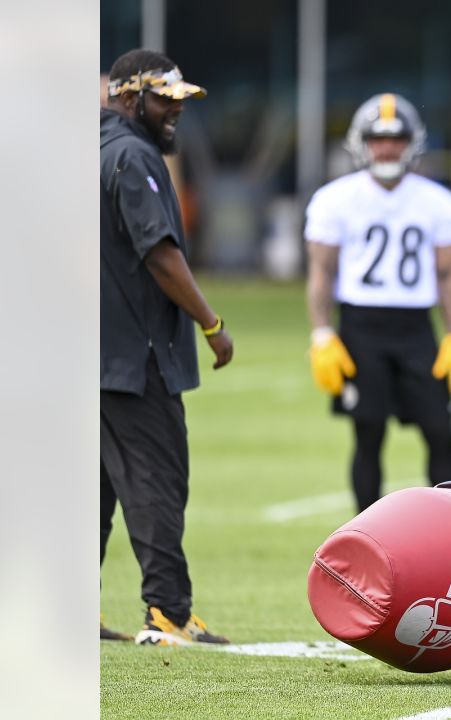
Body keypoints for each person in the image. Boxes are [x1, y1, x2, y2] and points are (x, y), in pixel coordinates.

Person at [100, 48, 233, 645]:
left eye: (179, 100)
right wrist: (210, 321)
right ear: (129, 96)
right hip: (135, 355)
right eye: (163, 99)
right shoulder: (133, 155)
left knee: (94, 486)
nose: (174, 111)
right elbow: (160, 254)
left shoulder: (93, 151)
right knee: (157, 478)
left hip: (87, 351)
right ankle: (168, 612)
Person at [304, 93, 451, 513]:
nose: (387, 147)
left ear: (412, 143)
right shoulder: (334, 198)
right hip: (362, 324)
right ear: (362, 143)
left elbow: (449, 275)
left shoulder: (437, 201)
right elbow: (321, 272)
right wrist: (322, 333)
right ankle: (366, 534)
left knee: (439, 427)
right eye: (378, 138)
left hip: (416, 326)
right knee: (368, 430)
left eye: (396, 139)